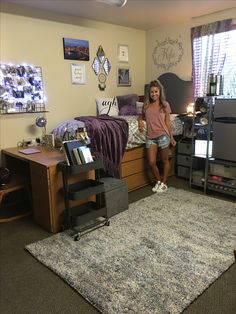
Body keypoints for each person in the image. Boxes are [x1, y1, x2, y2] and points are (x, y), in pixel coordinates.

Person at [138, 80, 176, 192]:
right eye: (151, 92)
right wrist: (140, 121)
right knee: (151, 162)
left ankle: (164, 183)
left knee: (165, 160)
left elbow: (168, 122)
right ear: (149, 93)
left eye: (156, 92)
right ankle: (158, 181)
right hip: (151, 137)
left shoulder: (165, 105)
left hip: (163, 135)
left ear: (160, 92)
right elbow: (141, 116)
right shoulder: (146, 106)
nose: (154, 94)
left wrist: (172, 137)